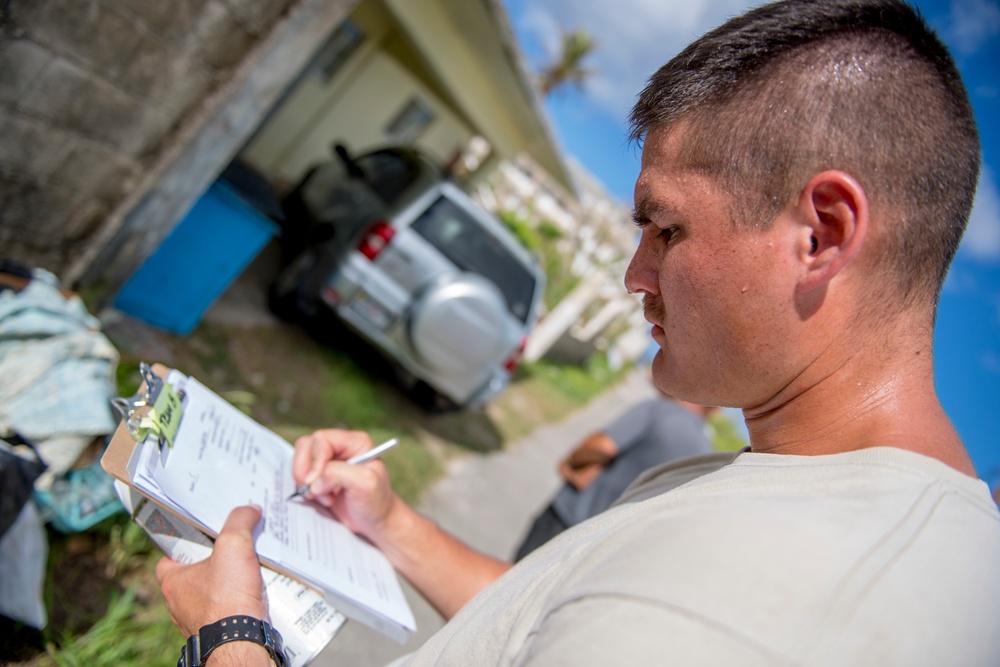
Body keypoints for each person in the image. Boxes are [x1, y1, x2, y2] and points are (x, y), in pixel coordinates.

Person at [155, 1, 1000, 664]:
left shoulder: (772, 605)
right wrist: (391, 523)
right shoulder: (816, 497)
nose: (636, 275)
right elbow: (552, 619)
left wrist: (228, 636)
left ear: (819, 234)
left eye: (666, 229)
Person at [513, 388, 716, 560]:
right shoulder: (705, 454)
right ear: (714, 409)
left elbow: (601, 446)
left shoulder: (658, 411)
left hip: (567, 518)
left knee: (505, 588)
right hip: (601, 550)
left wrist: (571, 461)